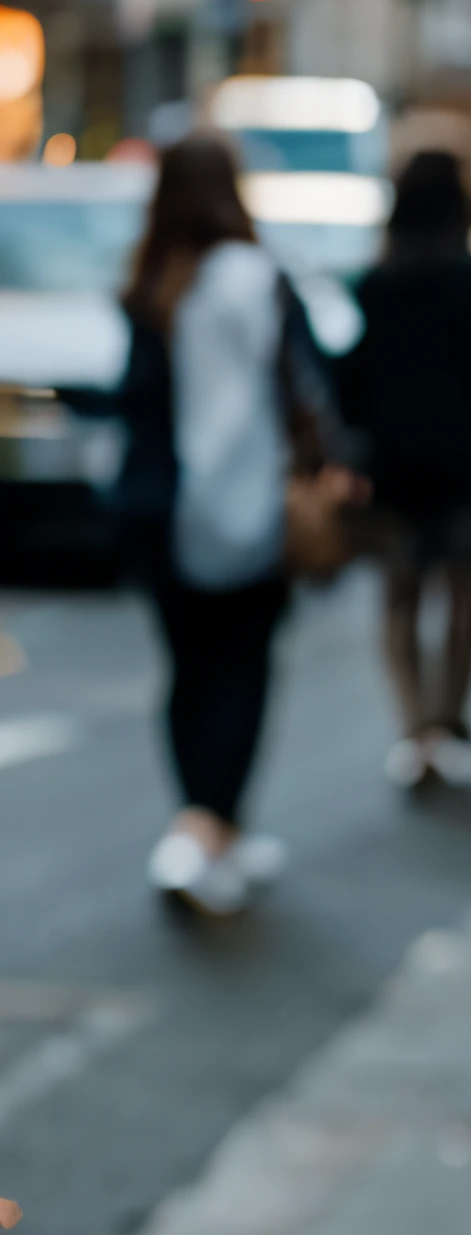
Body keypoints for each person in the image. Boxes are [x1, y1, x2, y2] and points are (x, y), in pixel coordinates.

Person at [71, 131, 317, 915]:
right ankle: (211, 828)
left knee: (187, 668)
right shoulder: (260, 277)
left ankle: (200, 827)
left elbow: (133, 398)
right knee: (243, 667)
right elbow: (307, 387)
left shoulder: (152, 281)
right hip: (252, 505)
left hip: (159, 508)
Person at [339, 148, 471, 790]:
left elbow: (348, 380)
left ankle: (413, 726)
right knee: (464, 588)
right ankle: (451, 720)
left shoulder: (370, 284)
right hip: (464, 458)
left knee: (400, 590)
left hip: (392, 461)